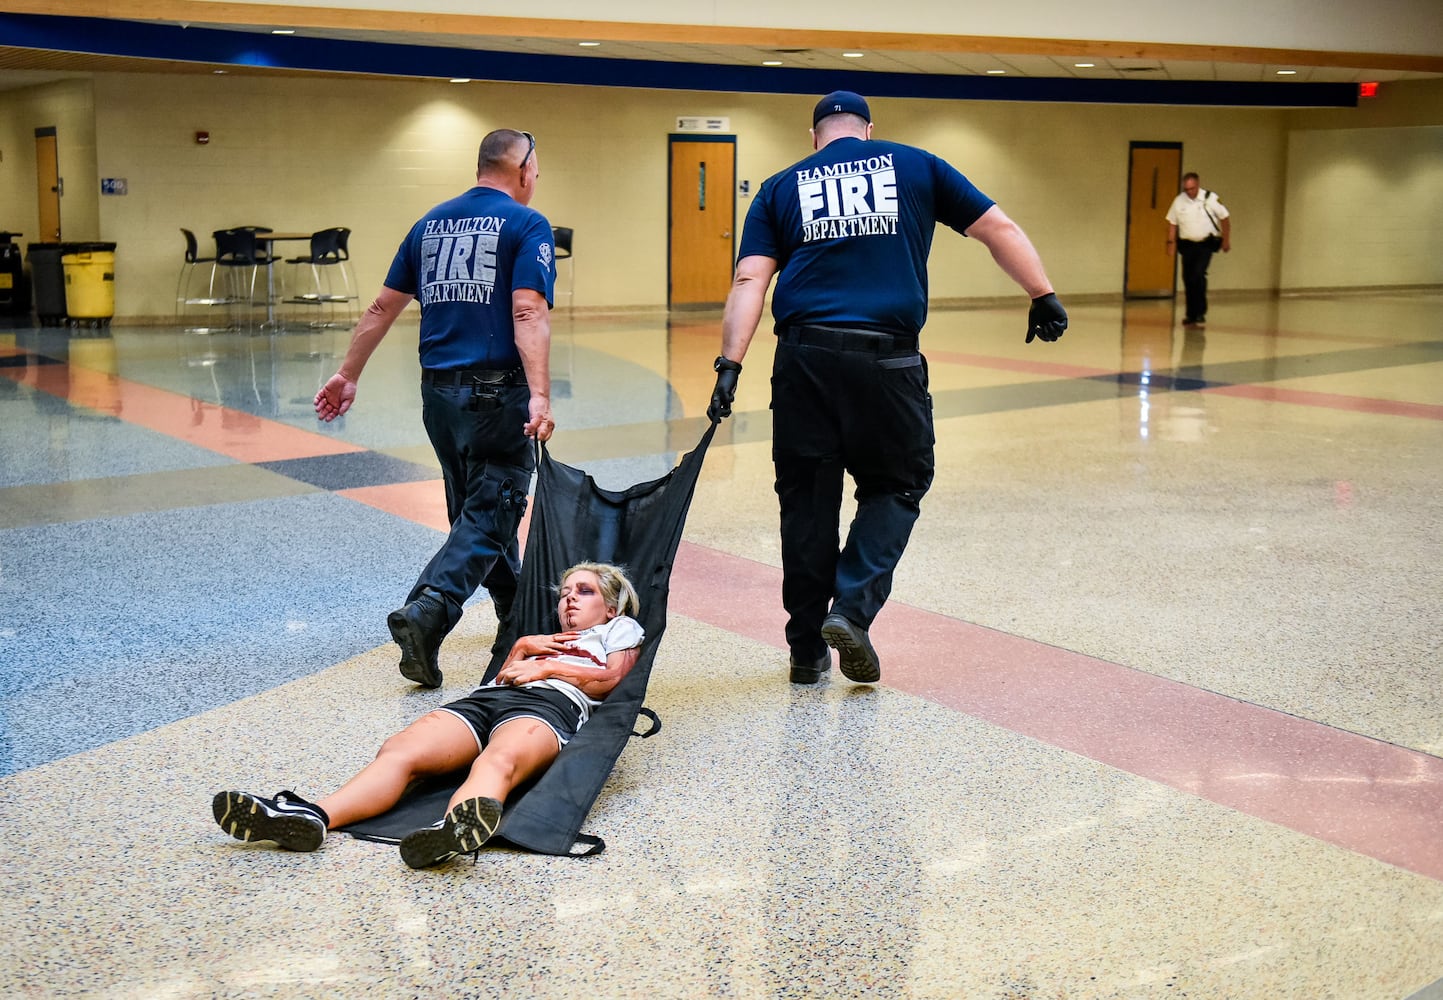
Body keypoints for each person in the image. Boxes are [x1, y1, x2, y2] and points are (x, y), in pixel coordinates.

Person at [707, 91, 1067, 687]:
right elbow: (995, 227)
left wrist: (729, 364)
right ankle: (850, 610)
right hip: (888, 362)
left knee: (806, 502)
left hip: (803, 362)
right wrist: (1041, 293)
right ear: (868, 130)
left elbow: (751, 276)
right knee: (897, 484)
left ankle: (805, 653)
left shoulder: (780, 186)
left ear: (815, 136)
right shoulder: (918, 165)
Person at [315, 129, 557, 691]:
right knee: (492, 508)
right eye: (537, 170)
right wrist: (540, 394)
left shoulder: (430, 224)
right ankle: (428, 613)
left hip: (438, 397)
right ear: (521, 169)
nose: (536, 180)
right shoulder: (527, 224)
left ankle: (515, 610)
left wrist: (347, 373)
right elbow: (527, 312)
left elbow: (381, 306)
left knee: (480, 508)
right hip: (497, 392)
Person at [212, 563, 644, 869]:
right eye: (566, 593)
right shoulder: (541, 637)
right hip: (487, 700)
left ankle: (450, 828)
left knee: (498, 761)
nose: (570, 600)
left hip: (549, 706)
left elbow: (612, 678)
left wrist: (546, 666)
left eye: (584, 592)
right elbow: (503, 676)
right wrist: (521, 649)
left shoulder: (616, 629)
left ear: (610, 607)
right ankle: (314, 817)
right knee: (400, 751)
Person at [1165, 172, 1231, 327]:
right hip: (1187, 245)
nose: (1190, 192)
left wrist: (1226, 240)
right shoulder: (1179, 201)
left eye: (1192, 189)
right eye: (1187, 189)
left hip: (1205, 244)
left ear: (1198, 184)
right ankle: (1191, 314)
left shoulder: (1210, 198)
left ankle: (1200, 312)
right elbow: (1172, 223)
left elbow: (1225, 218)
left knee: (1198, 275)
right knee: (1188, 278)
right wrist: (1170, 243)